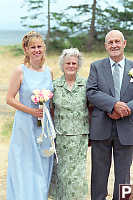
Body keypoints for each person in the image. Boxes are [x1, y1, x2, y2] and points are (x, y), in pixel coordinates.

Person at [6, 31, 54, 200]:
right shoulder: (20, 71)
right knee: (24, 165)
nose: (36, 50)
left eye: (39, 46)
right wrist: (31, 111)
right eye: (32, 47)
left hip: (44, 128)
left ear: (44, 48)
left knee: (42, 164)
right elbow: (9, 99)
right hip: (25, 125)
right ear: (26, 50)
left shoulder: (49, 71)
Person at [86, 30, 133, 200]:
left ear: (124, 43)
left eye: (117, 41)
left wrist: (124, 109)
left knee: (124, 176)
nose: (114, 45)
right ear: (106, 46)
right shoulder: (96, 66)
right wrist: (113, 105)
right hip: (101, 128)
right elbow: (91, 92)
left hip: (127, 128)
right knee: (98, 174)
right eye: (110, 42)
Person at [49, 48, 89, 200]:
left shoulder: (86, 84)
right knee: (61, 173)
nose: (71, 66)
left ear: (78, 65)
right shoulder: (54, 85)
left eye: (74, 63)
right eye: (68, 63)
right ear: (62, 65)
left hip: (80, 137)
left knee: (77, 174)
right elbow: (50, 111)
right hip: (60, 137)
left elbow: (91, 108)